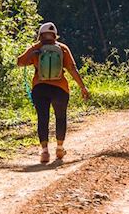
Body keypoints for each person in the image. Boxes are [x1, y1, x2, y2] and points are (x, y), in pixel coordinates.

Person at [16, 22, 90, 164]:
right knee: (60, 117)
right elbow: (72, 69)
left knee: (43, 118)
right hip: (60, 89)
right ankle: (60, 148)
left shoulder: (36, 48)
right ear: (55, 35)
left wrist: (32, 54)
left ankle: (44, 151)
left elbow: (20, 62)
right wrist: (82, 87)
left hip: (39, 88)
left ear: (40, 35)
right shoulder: (62, 48)